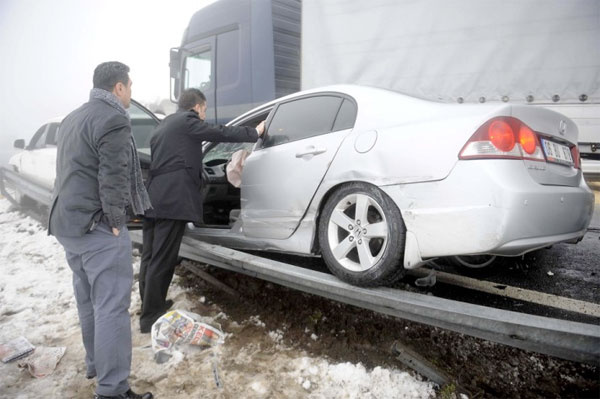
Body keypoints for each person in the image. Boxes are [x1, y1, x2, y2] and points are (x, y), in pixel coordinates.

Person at [48, 61, 153, 399]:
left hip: (68, 224)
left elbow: (67, 169)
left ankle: (97, 364)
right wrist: (116, 222)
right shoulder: (113, 118)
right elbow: (114, 175)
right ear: (118, 88)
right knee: (111, 306)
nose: (131, 93)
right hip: (96, 227)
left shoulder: (73, 117)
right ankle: (112, 389)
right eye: (130, 87)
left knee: (89, 300)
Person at [139, 88, 264, 333]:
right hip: (172, 202)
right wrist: (255, 132)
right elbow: (220, 133)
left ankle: (148, 305)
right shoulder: (187, 121)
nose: (204, 116)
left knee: (150, 256)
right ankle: (151, 316)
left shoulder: (162, 126)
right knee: (162, 260)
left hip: (153, 198)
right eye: (204, 111)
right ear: (197, 107)